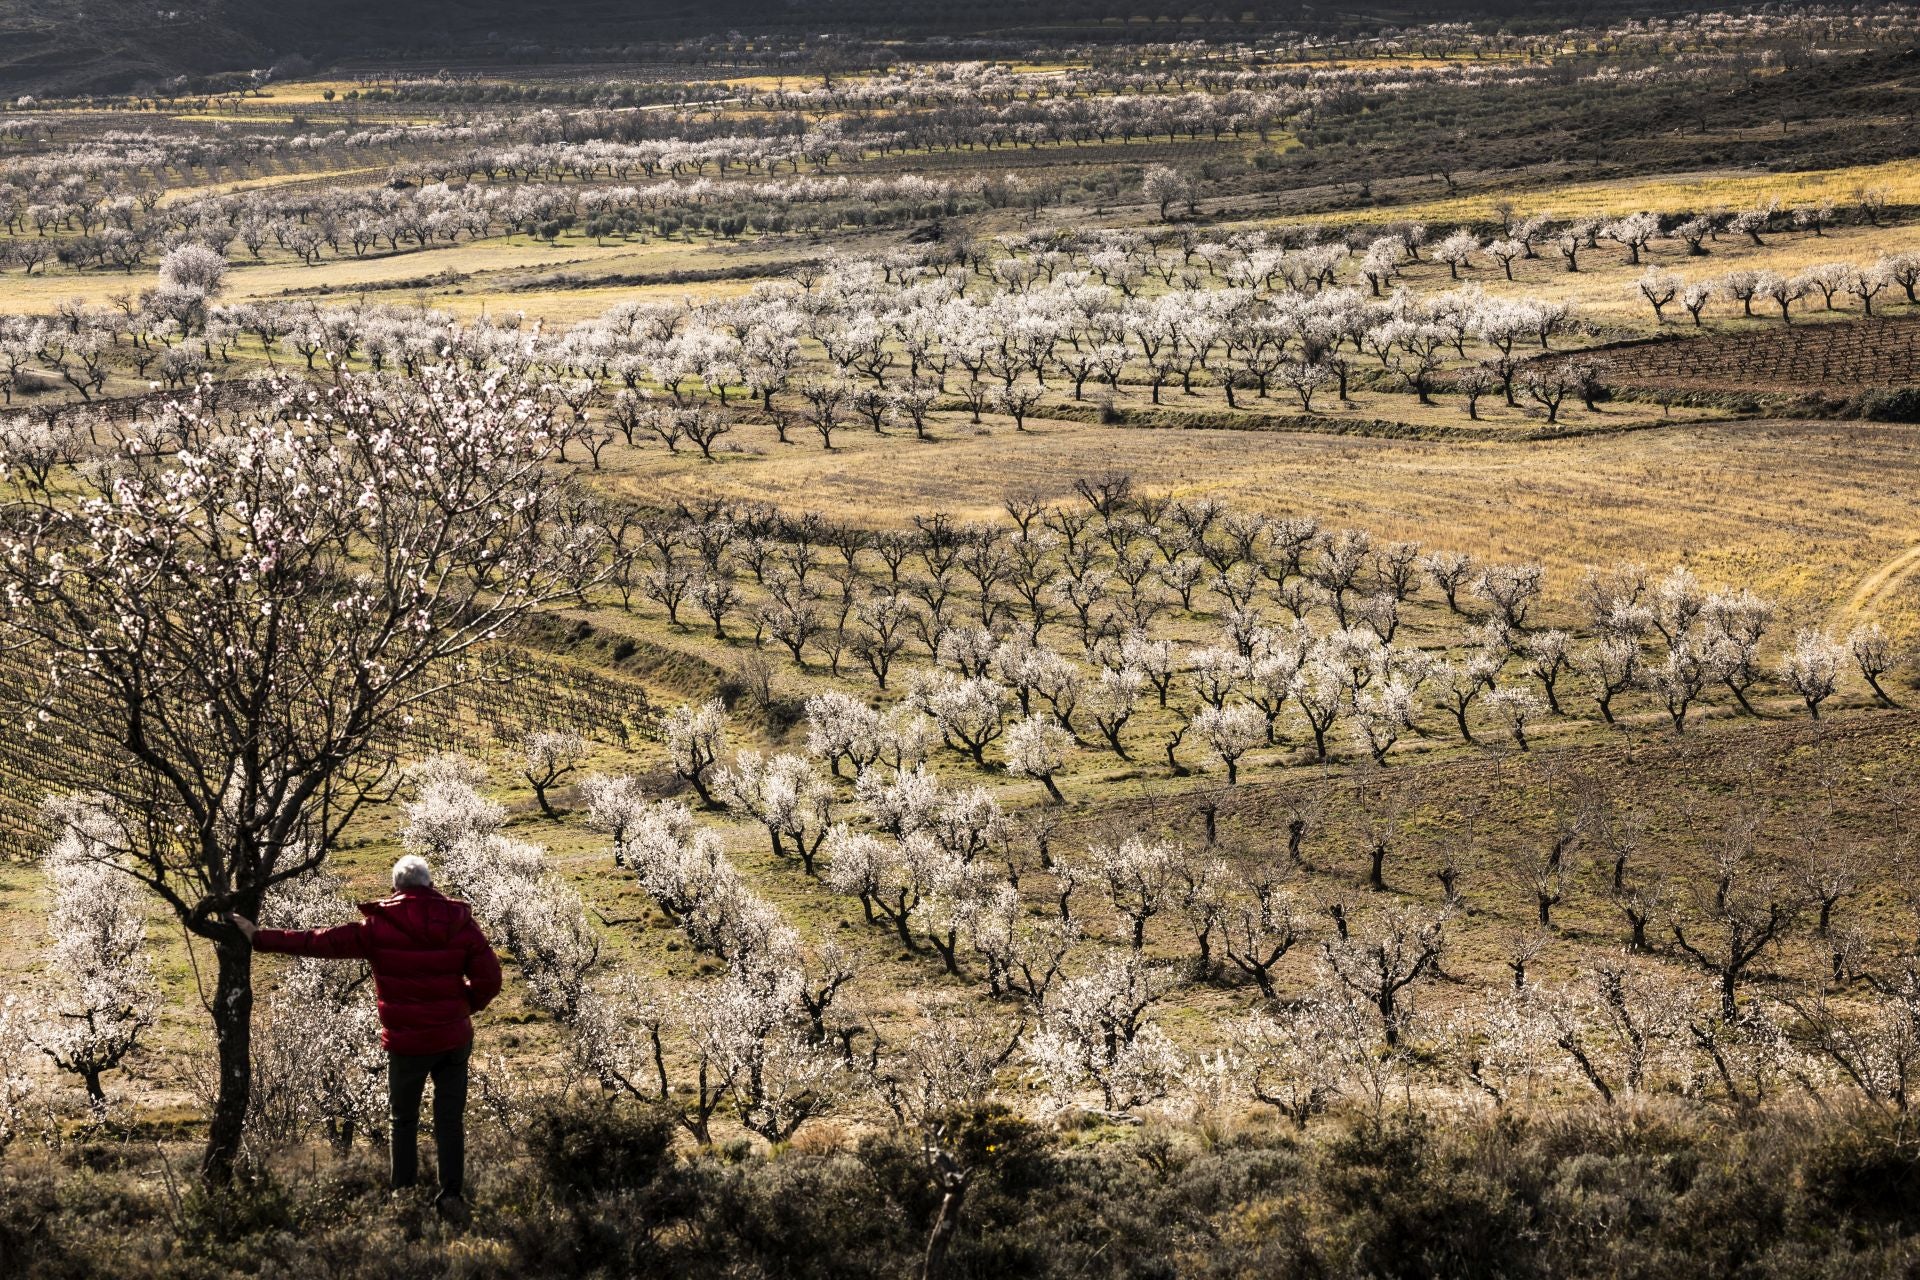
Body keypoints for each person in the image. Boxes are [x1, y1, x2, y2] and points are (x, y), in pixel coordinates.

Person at [228, 855, 502, 1223]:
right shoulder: (459, 923)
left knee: (402, 1120)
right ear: (429, 884)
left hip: (406, 1044)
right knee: (449, 1121)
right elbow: (491, 979)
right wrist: (461, 1007)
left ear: (396, 888)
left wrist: (259, 938)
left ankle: (402, 1197)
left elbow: (319, 941)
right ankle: (451, 1195)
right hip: (452, 1038)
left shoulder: (379, 926)